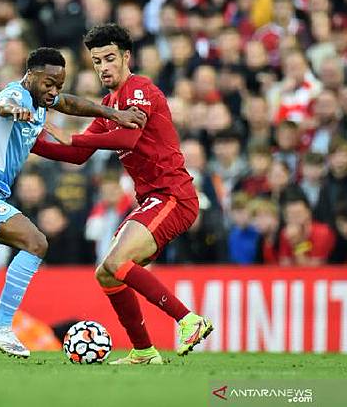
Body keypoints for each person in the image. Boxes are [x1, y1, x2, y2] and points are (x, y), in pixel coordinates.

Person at [0, 47, 146, 360]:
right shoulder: (15, 94)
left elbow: (70, 102)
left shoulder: (44, 98)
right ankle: (1, 326)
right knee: (36, 243)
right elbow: (3, 105)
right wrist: (15, 111)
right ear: (30, 76)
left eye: (59, 84)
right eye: (48, 84)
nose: (53, 91)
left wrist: (113, 114)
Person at [33, 24, 213, 365]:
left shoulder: (139, 89)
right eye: (97, 61)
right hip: (153, 200)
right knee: (106, 272)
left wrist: (72, 137)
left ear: (126, 57)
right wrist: (31, 144)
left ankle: (190, 320)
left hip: (173, 195)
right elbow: (78, 156)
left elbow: (127, 139)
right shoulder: (108, 103)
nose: (103, 67)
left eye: (110, 58)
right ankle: (144, 351)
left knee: (116, 263)